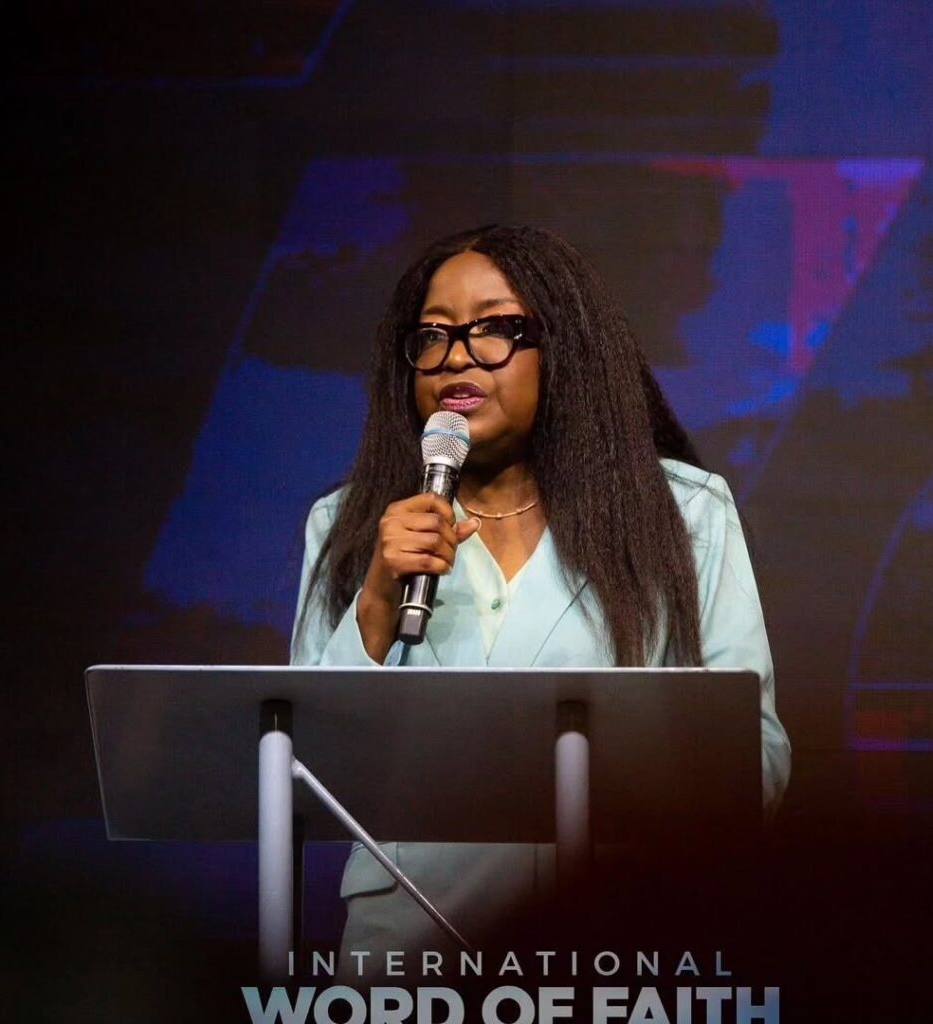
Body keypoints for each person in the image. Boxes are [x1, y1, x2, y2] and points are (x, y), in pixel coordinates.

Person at [291, 224, 791, 976]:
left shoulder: (683, 514)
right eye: (432, 335)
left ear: (564, 348)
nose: (456, 355)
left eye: (494, 328)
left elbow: (756, 761)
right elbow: (302, 779)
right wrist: (374, 605)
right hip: (405, 962)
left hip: (614, 952)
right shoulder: (351, 525)